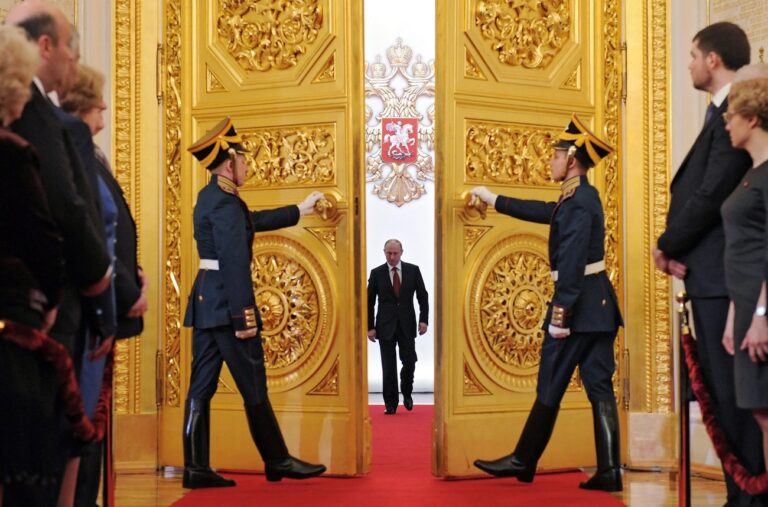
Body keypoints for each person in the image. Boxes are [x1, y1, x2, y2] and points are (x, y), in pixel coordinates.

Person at [470, 114, 623, 492]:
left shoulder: (579, 201)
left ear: (572, 159)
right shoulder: (578, 196)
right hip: (598, 307)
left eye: (555, 156)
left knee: (550, 384)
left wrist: (560, 314)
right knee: (599, 385)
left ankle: (523, 459)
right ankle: (609, 470)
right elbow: (544, 212)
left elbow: (571, 262)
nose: (549, 162)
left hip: (577, 309)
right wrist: (494, 200)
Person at [652, 22, 765, 506]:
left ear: (714, 60)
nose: (691, 63)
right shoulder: (720, 116)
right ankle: (740, 492)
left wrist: (667, 244)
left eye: (694, 55)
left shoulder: (733, 115)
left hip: (726, 279)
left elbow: (709, 193)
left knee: (737, 397)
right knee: (721, 393)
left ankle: (748, 494)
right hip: (712, 276)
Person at [183, 117, 327, 488]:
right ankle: (278, 460)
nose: (248, 165)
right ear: (229, 163)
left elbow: (253, 221)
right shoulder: (226, 205)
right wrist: (244, 316)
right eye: (243, 160)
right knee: (253, 385)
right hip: (228, 306)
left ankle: (195, 468)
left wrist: (301, 209)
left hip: (206, 301)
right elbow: (233, 263)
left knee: (201, 386)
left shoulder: (211, 198)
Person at [62, 63, 148, 507]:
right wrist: (128, 293)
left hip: (108, 300)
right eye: (99, 102)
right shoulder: (75, 154)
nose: (107, 110)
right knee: (85, 421)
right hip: (90, 309)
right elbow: (94, 233)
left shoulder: (91, 154)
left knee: (95, 420)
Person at [0, 23, 65, 507]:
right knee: (24, 464)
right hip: (13, 324)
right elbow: (43, 242)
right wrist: (50, 301)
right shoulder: (13, 156)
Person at [721, 67, 768, 495]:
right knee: (760, 412)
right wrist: (735, 312)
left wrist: (760, 314)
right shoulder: (751, 173)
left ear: (752, 118)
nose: (726, 120)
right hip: (748, 306)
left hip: (763, 311)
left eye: (732, 114)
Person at [366, 239, 429, 414]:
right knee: (388, 366)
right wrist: (369, 327)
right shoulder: (377, 273)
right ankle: (391, 403)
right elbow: (369, 302)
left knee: (410, 361)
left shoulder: (413, 270)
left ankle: (407, 391)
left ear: (402, 252)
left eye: (395, 253)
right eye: (389, 253)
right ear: (384, 252)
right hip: (384, 326)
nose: (392, 257)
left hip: (407, 324)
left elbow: (423, 296)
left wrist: (424, 320)